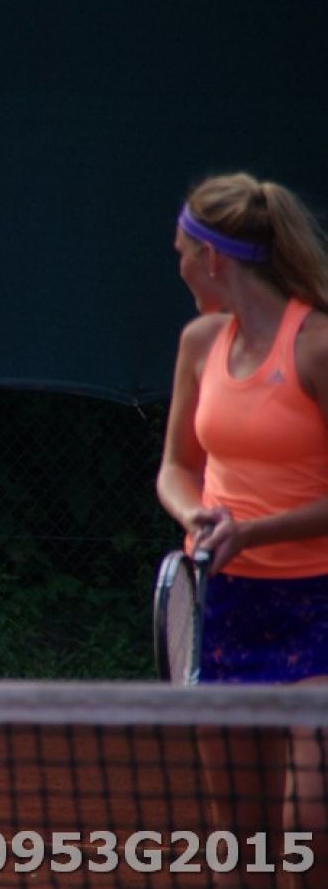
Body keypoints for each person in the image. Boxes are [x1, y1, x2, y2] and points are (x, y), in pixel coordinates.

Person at [156, 172, 328, 887]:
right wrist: (194, 514)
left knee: (310, 824)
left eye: (181, 255)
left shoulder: (317, 347)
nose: (178, 269)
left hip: (318, 603)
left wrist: (254, 532)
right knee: (239, 835)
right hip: (225, 604)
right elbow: (176, 468)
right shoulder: (199, 343)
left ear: (212, 258)